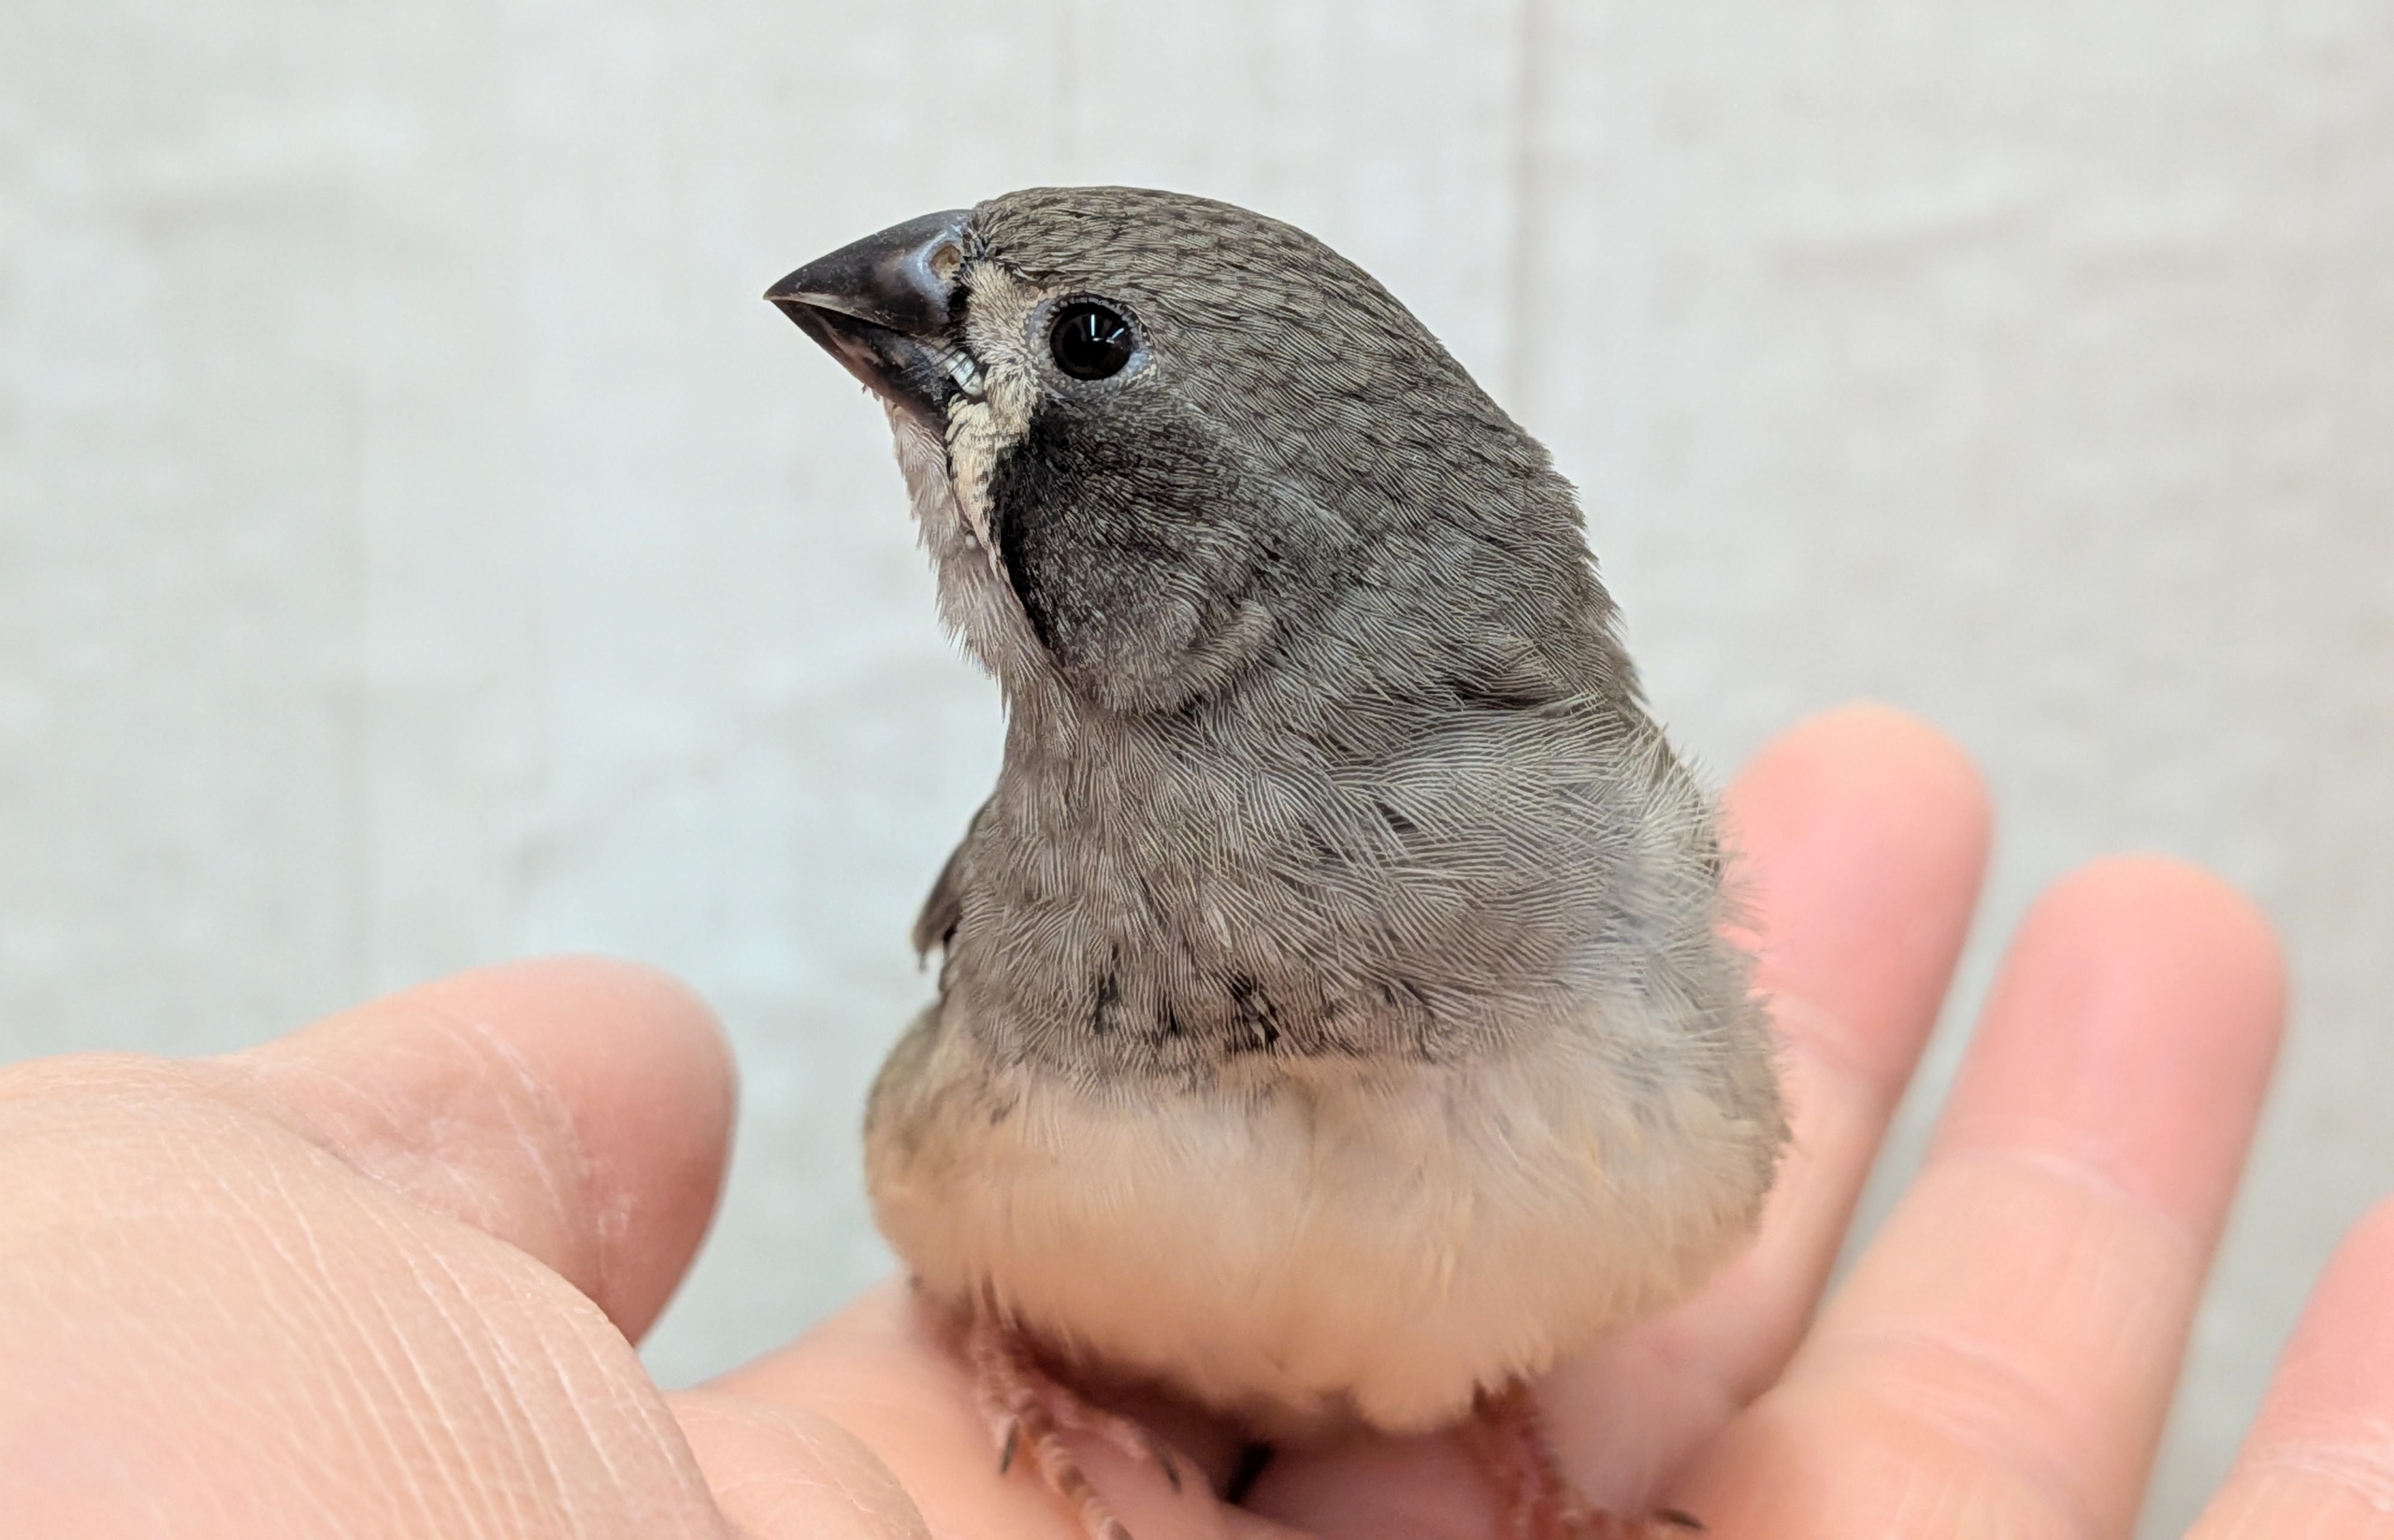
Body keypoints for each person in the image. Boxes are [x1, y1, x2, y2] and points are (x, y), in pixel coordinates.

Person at [0, 707, 2374, 1538]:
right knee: (992, 1242)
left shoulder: (1580, 819)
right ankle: (1013, 1347)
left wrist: (1533, 1453)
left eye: (1070, 361)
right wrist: (997, 1350)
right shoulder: (1059, 810)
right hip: (1040, 1319)